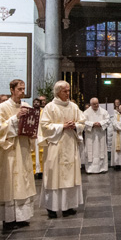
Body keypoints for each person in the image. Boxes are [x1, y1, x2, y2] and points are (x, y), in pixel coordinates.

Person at [0, 79, 37, 231]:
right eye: (19, 89)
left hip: (23, 146)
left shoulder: (27, 106)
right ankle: (9, 218)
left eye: (24, 89)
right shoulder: (2, 108)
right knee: (10, 180)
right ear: (12, 90)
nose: (22, 92)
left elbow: (33, 124)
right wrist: (15, 118)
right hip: (9, 149)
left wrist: (33, 132)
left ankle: (22, 216)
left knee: (24, 180)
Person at [38, 81, 86, 218]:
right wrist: (61, 127)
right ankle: (52, 208)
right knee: (54, 176)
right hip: (55, 146)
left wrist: (75, 126)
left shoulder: (74, 106)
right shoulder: (50, 107)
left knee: (70, 175)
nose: (68, 93)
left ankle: (68, 206)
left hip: (70, 145)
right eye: (65, 91)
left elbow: (82, 122)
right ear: (58, 92)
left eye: (69, 91)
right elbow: (44, 126)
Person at [82, 97, 109, 174]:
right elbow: (83, 122)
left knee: (101, 149)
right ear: (90, 104)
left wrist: (100, 123)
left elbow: (107, 120)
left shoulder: (104, 112)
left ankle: (102, 168)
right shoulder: (86, 113)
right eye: (94, 104)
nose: (96, 105)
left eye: (97, 103)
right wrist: (92, 124)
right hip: (91, 135)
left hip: (101, 134)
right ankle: (90, 168)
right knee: (91, 150)